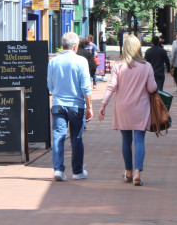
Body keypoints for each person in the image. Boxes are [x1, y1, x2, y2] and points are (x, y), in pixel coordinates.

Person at [99, 35, 158, 186]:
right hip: (141, 107)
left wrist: (104, 104)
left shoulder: (118, 66)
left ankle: (128, 172)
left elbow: (111, 86)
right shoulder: (147, 66)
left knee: (126, 140)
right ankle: (138, 173)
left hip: (123, 107)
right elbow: (152, 88)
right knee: (139, 140)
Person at [46, 32, 93, 181]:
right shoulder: (81, 61)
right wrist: (89, 106)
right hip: (76, 105)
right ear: (75, 46)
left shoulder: (53, 61)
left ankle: (58, 169)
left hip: (58, 104)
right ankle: (77, 171)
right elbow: (86, 87)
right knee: (76, 138)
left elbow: (49, 84)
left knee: (58, 137)